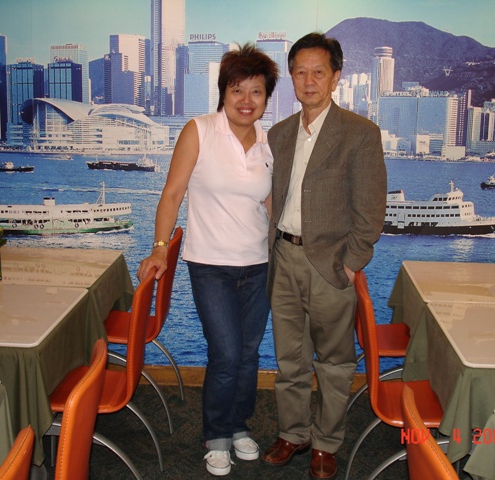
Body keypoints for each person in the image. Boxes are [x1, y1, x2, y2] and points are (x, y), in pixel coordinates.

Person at [137, 44, 279, 477]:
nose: (246, 101)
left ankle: (238, 425)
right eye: (237, 90)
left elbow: (268, 202)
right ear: (223, 92)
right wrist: (159, 246)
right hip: (210, 266)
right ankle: (215, 435)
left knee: (249, 354)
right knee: (226, 352)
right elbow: (172, 194)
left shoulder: (268, 141)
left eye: (256, 92)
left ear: (266, 97)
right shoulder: (198, 130)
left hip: (259, 264)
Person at [261, 33, 387, 480]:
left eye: (319, 71)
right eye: (300, 72)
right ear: (291, 77)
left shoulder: (360, 133)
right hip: (284, 258)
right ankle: (293, 433)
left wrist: (350, 265)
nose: (309, 80)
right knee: (289, 359)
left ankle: (326, 443)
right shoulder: (278, 134)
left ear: (336, 76)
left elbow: (370, 212)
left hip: (331, 265)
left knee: (334, 363)